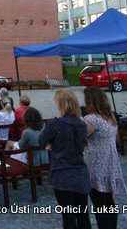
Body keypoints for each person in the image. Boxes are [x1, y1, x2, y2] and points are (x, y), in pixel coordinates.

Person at [39, 89, 91, 229]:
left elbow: (42, 141)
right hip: (80, 172)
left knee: (68, 216)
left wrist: (51, 144)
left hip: (62, 173)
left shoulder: (54, 123)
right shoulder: (82, 124)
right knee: (83, 215)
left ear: (60, 104)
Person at [83, 86, 127, 228]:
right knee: (108, 201)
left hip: (96, 165)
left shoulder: (91, 119)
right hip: (109, 163)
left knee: (100, 204)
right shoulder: (110, 117)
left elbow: (80, 137)